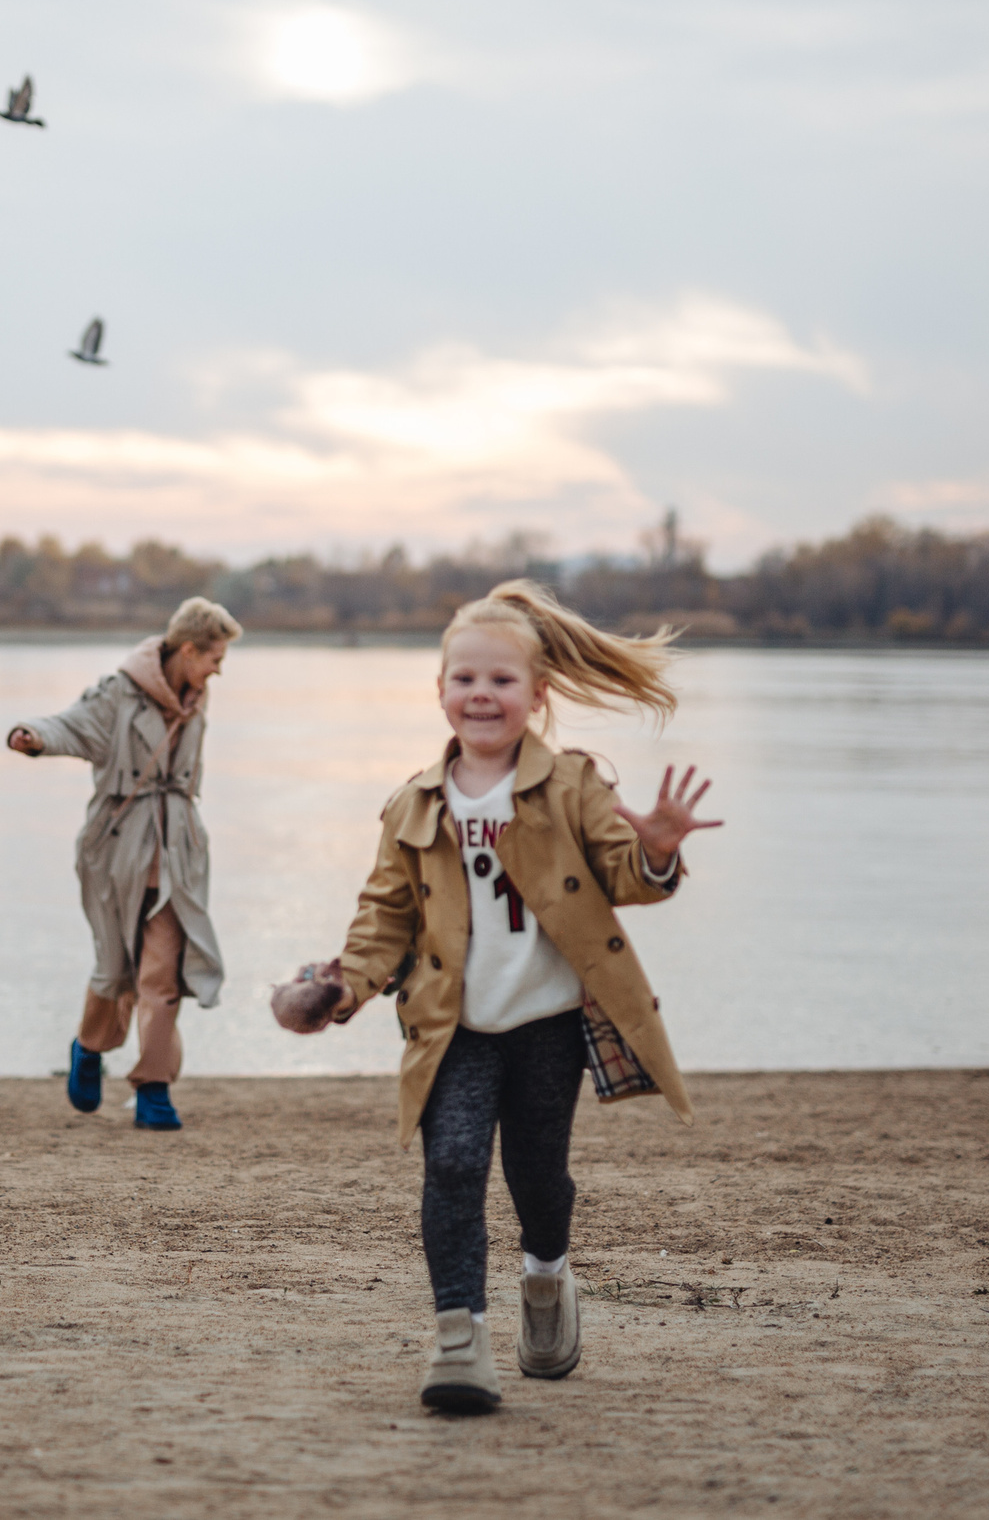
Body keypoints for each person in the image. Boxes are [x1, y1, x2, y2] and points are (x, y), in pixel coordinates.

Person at [275, 580, 720, 1412]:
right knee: (451, 1164)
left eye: (502, 681)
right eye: (465, 680)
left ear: (538, 695)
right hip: (455, 1027)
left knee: (537, 1177)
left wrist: (657, 850)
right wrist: (345, 988)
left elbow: (625, 876)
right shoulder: (413, 803)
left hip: (549, 1025)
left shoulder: (573, 786)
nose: (482, 694)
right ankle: (459, 1343)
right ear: (440, 691)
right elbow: (385, 917)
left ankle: (547, 1281)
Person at [8, 596, 243, 1131]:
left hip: (177, 849)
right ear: (188, 650)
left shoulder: (196, 697)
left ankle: (154, 1088)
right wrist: (35, 736)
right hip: (118, 847)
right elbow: (72, 725)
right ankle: (88, 1048)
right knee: (114, 971)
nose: (218, 670)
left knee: (162, 974)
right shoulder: (118, 693)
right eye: (214, 658)